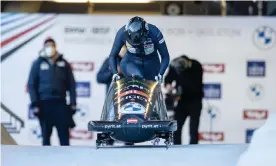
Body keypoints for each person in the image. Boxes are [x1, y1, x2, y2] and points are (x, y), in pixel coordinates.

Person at [27, 37, 76, 146]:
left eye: (52, 46)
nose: (50, 48)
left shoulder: (64, 63)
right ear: (44, 48)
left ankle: (66, 161)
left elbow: (72, 85)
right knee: (46, 137)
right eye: (48, 46)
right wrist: (35, 104)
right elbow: (31, 85)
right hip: (44, 105)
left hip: (60, 104)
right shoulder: (37, 63)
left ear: (55, 47)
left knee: (64, 137)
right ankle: (45, 161)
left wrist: (73, 103)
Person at [108, 16, 170, 82]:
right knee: (138, 78)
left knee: (150, 87)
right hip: (131, 63)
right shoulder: (121, 34)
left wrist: (161, 73)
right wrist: (115, 73)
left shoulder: (155, 33)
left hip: (152, 64)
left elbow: (165, 56)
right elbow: (112, 56)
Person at [164, 55, 203, 145]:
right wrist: (168, 86)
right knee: (177, 127)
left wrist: (179, 91)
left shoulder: (196, 65)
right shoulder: (174, 66)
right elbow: (168, 79)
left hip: (195, 100)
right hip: (182, 101)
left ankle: (193, 148)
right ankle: (177, 148)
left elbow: (194, 85)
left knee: (193, 129)